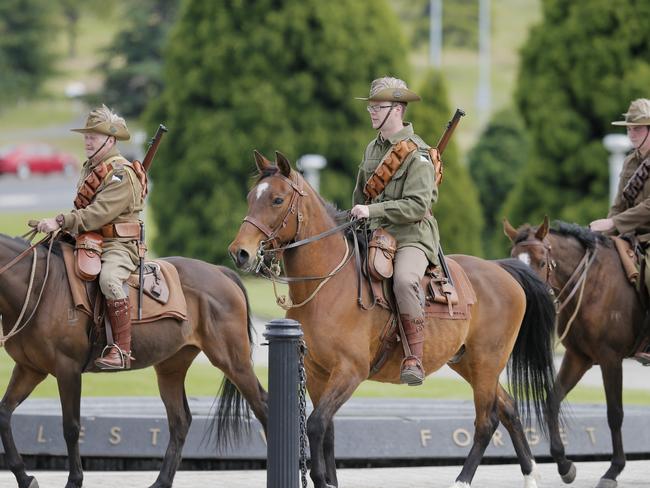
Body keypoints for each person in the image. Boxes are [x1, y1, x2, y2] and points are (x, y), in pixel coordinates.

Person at [37, 105, 145, 370]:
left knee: (109, 280)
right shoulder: (92, 168)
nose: (87, 140)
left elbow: (97, 214)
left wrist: (61, 220)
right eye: (86, 135)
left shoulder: (121, 173)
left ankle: (121, 349)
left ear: (110, 140)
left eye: (93, 136)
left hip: (119, 244)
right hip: (92, 240)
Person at [351, 77, 441, 385]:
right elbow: (361, 195)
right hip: (375, 233)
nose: (373, 112)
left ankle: (414, 357)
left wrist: (372, 211)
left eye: (379, 107)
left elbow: (416, 206)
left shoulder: (418, 154)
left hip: (410, 237)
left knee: (403, 281)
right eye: (371, 107)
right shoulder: (372, 149)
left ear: (398, 109)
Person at [590, 98, 650, 365]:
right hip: (632, 236)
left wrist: (615, 224)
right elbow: (619, 203)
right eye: (629, 128)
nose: (631, 133)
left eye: (637, 128)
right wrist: (604, 233)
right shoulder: (630, 163)